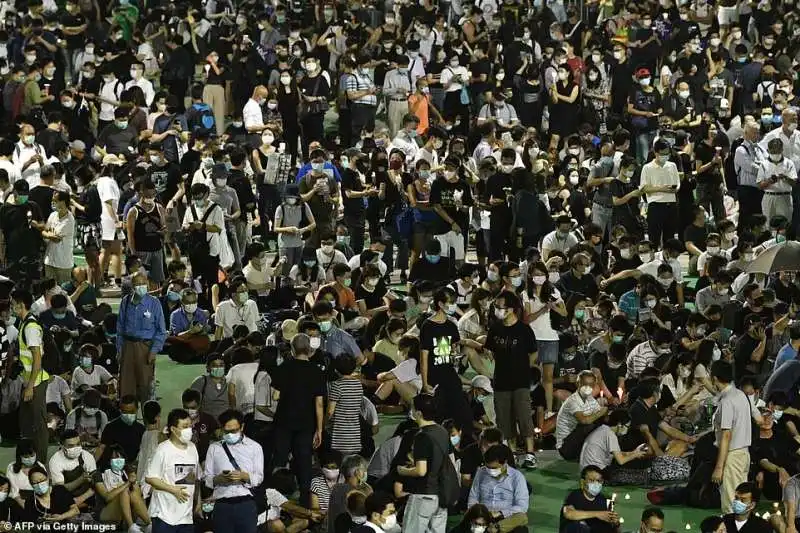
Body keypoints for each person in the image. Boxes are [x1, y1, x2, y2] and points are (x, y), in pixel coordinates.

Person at [270, 333, 326, 507]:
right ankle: (304, 501)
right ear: (309, 350)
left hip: (284, 421)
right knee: (304, 464)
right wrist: (319, 429)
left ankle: (276, 500)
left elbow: (276, 395)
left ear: (292, 349)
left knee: (279, 461)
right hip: (306, 424)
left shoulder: (283, 368)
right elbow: (319, 404)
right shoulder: (317, 371)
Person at [204, 409, 264, 533]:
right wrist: (219, 479)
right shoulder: (214, 448)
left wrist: (244, 476)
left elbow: (259, 477)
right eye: (226, 431)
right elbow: (207, 478)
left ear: (242, 427)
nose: (230, 434)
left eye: (234, 431)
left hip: (246, 503)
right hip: (222, 504)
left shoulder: (255, 447)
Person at [398, 393, 449, 533]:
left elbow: (421, 470)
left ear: (419, 413)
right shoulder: (442, 431)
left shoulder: (422, 436)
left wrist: (402, 470)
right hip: (441, 495)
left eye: (412, 408)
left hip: (423, 495)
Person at [144, 408, 201, 533]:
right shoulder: (163, 449)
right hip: (164, 516)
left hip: (186, 516)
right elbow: (150, 477)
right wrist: (173, 490)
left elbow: (195, 478)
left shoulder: (192, 448)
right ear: (173, 429)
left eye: (190, 426)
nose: (189, 430)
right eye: (184, 426)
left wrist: (198, 502)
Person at [12, 288, 49, 464]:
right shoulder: (24, 323)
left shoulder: (30, 327)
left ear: (20, 305)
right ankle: (26, 460)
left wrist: (30, 387)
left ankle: (41, 464)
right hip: (27, 381)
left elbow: (37, 359)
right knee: (26, 424)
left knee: (38, 427)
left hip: (35, 383)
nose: (11, 308)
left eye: (13, 305)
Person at [117, 271, 166, 405]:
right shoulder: (125, 302)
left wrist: (153, 351)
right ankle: (128, 416)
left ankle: (148, 420)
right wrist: (120, 349)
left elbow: (161, 331)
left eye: (143, 283)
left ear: (148, 285)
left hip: (146, 348)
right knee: (126, 386)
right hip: (128, 346)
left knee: (146, 387)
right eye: (137, 284)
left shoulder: (154, 304)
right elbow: (120, 329)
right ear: (132, 286)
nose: (141, 286)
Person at [711, 360, 753, 514]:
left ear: (714, 378)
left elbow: (726, 435)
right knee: (742, 503)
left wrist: (719, 467)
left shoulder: (728, 401)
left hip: (733, 456)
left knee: (731, 504)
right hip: (743, 455)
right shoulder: (740, 394)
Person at [467, 444, 529, 532]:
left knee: (521, 518)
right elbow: (473, 497)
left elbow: (522, 506)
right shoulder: (481, 473)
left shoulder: (517, 477)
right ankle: (491, 528)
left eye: (494, 468)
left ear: (504, 463)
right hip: (483, 516)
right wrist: (478, 514)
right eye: (488, 467)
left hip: (506, 517)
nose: (490, 470)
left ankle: (496, 528)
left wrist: (500, 513)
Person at [559, 465, 618, 533]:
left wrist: (616, 524)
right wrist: (597, 514)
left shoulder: (603, 500)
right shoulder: (575, 496)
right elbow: (569, 514)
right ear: (582, 482)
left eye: (599, 481)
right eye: (591, 480)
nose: (596, 484)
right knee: (580, 526)